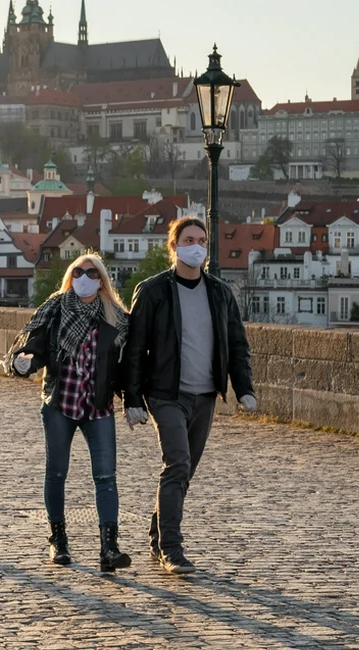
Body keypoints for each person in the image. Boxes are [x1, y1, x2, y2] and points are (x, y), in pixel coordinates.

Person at [122, 216, 257, 575]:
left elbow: (237, 344)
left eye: (201, 240)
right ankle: (172, 549)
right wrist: (132, 399)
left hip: (205, 394)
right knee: (178, 463)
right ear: (174, 246)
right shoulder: (153, 291)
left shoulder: (220, 292)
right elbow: (135, 349)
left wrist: (244, 388)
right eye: (188, 240)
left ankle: (157, 534)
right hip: (166, 393)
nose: (196, 246)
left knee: (183, 472)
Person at [6, 253, 132, 573]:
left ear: (102, 279)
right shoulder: (56, 308)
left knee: (105, 477)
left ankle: (109, 548)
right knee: (57, 472)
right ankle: (58, 540)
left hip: (98, 405)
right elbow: (36, 347)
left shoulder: (116, 316)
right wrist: (24, 364)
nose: (84, 277)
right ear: (70, 276)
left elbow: (128, 365)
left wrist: (133, 400)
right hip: (60, 403)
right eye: (78, 272)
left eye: (91, 272)